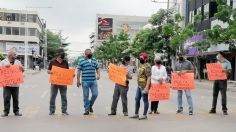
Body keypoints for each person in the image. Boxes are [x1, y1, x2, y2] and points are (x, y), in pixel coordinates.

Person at [0, 50, 24, 117]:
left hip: (15, 84)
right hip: (7, 84)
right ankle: (6, 112)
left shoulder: (18, 62)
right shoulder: (3, 62)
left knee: (16, 98)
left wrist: (21, 68)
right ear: (10, 55)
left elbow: (22, 70)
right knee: (6, 98)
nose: (15, 56)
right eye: (14, 54)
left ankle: (16, 111)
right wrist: (5, 67)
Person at [77, 49, 100, 115]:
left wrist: (98, 74)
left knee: (95, 94)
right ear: (85, 54)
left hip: (93, 81)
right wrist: (78, 80)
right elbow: (78, 71)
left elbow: (97, 68)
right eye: (88, 53)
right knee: (86, 96)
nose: (90, 54)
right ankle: (86, 109)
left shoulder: (94, 60)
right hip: (85, 81)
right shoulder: (81, 61)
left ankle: (90, 105)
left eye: (91, 53)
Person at [130, 53, 151, 120]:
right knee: (137, 98)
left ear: (145, 59)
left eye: (142, 58)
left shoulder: (147, 66)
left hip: (144, 86)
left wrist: (147, 88)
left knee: (145, 100)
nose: (140, 59)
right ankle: (136, 114)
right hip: (139, 86)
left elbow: (149, 77)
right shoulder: (141, 65)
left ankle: (144, 115)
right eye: (140, 58)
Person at [48, 49, 69, 115]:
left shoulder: (65, 62)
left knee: (64, 97)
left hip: (63, 83)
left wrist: (71, 75)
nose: (62, 55)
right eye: (61, 54)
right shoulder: (52, 62)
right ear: (58, 55)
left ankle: (64, 110)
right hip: (54, 82)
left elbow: (67, 71)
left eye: (63, 54)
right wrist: (51, 72)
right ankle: (52, 110)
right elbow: (48, 70)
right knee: (53, 96)